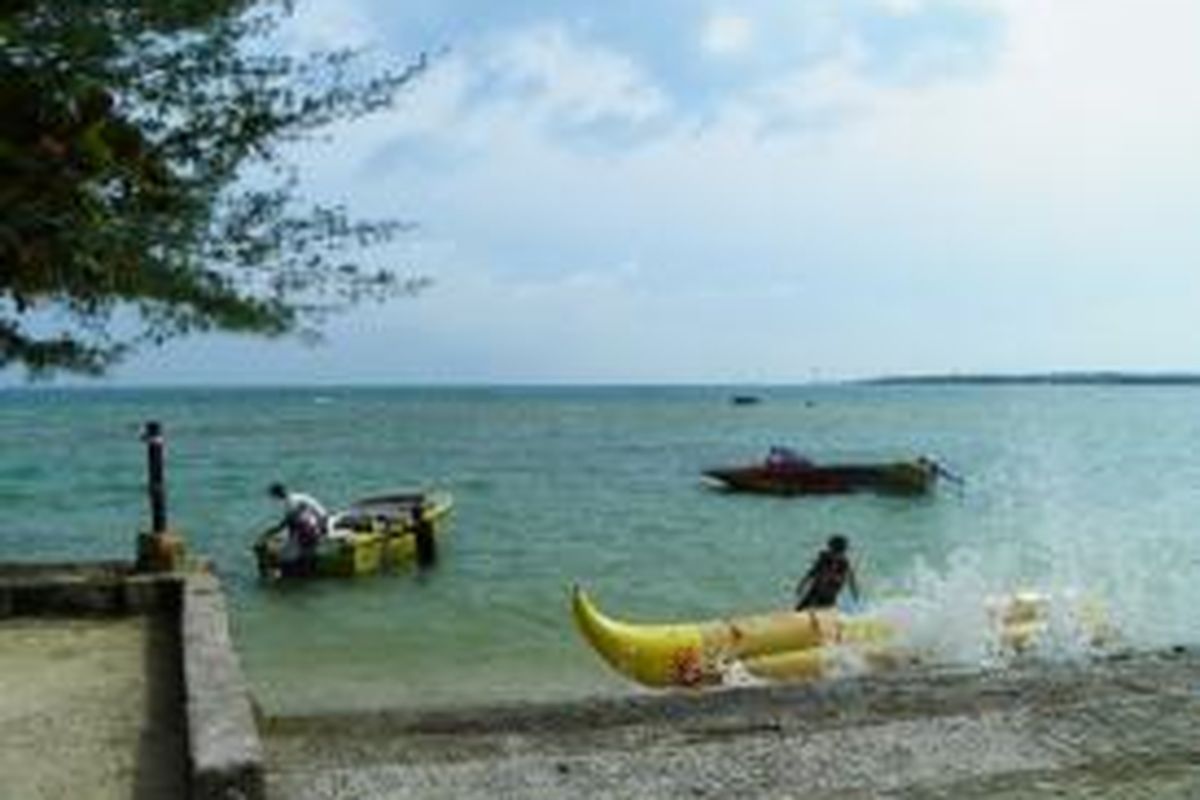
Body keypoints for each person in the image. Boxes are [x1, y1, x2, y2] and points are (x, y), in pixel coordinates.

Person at [266, 482, 329, 575]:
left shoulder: (291, 502)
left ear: (278, 494)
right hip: (321, 519)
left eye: (274, 496)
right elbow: (290, 521)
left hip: (316, 525)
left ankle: (303, 569)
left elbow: (289, 522)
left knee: (293, 552)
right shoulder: (297, 497)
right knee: (297, 546)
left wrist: (275, 532)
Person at [794, 534, 859, 611]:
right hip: (815, 592)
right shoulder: (823, 559)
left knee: (824, 609)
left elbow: (851, 580)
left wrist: (855, 595)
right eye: (834, 551)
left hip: (830, 595)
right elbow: (811, 573)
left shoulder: (844, 563)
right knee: (801, 609)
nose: (836, 555)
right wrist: (801, 585)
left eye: (840, 552)